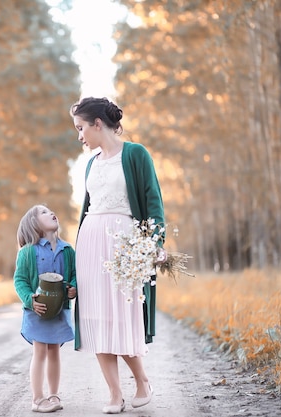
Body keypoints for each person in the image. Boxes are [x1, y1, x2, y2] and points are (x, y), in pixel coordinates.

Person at [70, 97, 166, 414]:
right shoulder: (91, 163)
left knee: (122, 318)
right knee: (96, 318)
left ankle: (142, 381)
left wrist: (154, 242)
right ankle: (114, 393)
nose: (80, 135)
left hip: (124, 246)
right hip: (91, 245)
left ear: (98, 123)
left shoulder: (136, 154)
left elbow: (153, 202)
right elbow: (88, 209)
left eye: (81, 128)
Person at [13, 204, 78, 413]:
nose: (51, 212)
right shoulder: (27, 252)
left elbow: (76, 274)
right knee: (39, 351)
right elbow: (20, 280)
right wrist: (29, 300)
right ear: (33, 224)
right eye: (43, 212)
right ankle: (37, 398)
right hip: (37, 311)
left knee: (55, 352)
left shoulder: (67, 250)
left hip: (59, 311)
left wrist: (73, 288)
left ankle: (53, 395)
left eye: (50, 210)